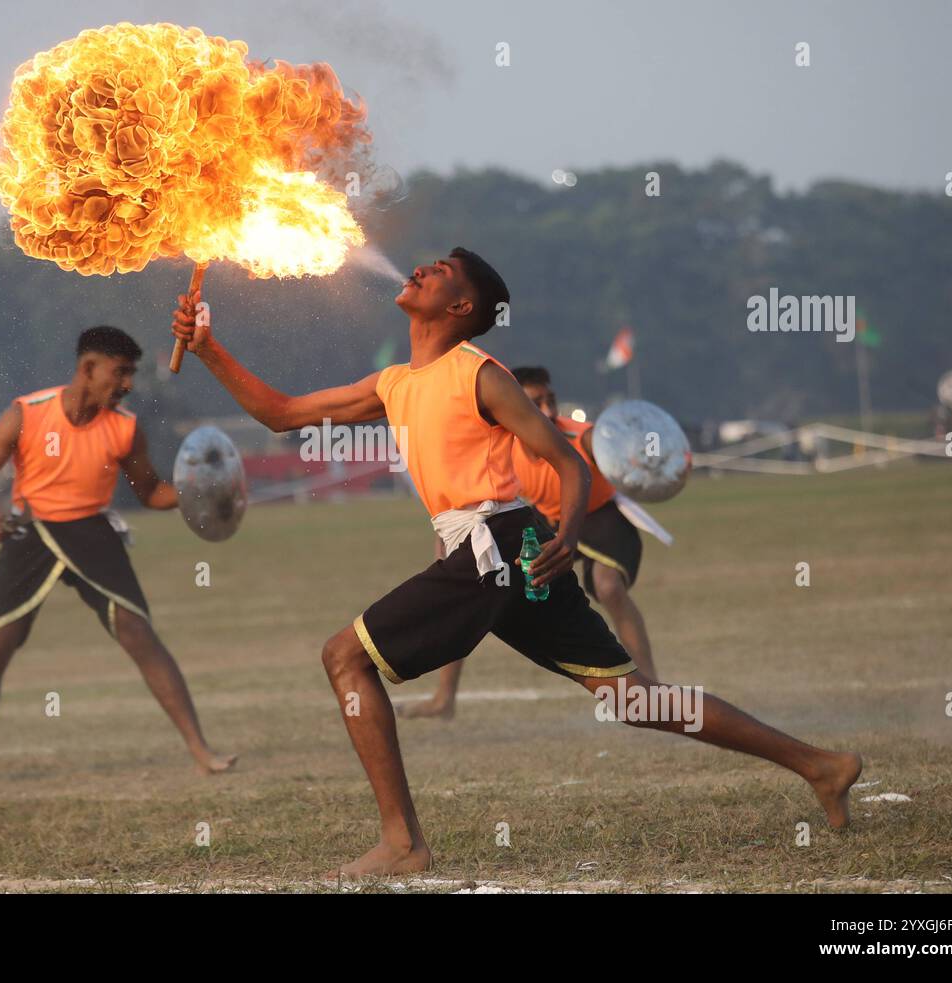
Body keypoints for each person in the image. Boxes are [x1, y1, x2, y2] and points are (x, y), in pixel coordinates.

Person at [171, 249, 861, 877]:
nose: (420, 268)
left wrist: (565, 527)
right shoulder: (393, 382)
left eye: (439, 270)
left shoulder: (482, 375)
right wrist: (207, 347)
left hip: (494, 544)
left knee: (344, 657)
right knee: (634, 696)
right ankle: (820, 764)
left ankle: (402, 843)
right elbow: (282, 414)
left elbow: (566, 462)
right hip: (502, 548)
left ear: (460, 309)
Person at [0, 325, 236, 785]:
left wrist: (195, 492)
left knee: (141, 637)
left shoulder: (124, 427)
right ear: (88, 368)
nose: (127, 385)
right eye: (119, 373)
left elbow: (150, 492)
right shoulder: (27, 414)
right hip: (32, 532)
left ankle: (200, 751)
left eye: (131, 375)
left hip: (92, 531)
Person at [402, 364, 655, 721]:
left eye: (551, 400)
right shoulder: (502, 449)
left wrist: (637, 459)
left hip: (598, 515)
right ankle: (444, 699)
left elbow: (612, 448)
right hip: (546, 522)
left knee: (608, 586)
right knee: (472, 595)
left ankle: (649, 689)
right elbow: (469, 500)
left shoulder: (579, 436)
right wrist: (446, 546)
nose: (549, 411)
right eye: (537, 402)